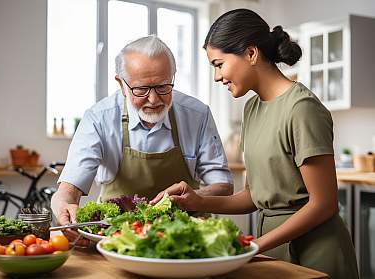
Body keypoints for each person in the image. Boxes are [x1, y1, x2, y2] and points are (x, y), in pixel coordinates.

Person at [150, 9, 359, 279]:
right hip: (272, 249)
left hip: (315, 254)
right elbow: (253, 196)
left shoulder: (302, 109)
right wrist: (196, 200)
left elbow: (324, 203)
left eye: (219, 64)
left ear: (251, 54)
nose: (217, 77)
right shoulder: (251, 108)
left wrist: (252, 246)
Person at [51, 35, 234, 242]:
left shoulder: (196, 114)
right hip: (117, 238)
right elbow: (69, 189)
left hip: (187, 237)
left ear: (172, 77)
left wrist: (188, 199)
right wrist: (65, 208)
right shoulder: (99, 118)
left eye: (163, 86)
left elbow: (224, 187)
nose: (154, 99)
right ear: (121, 84)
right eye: (141, 90)